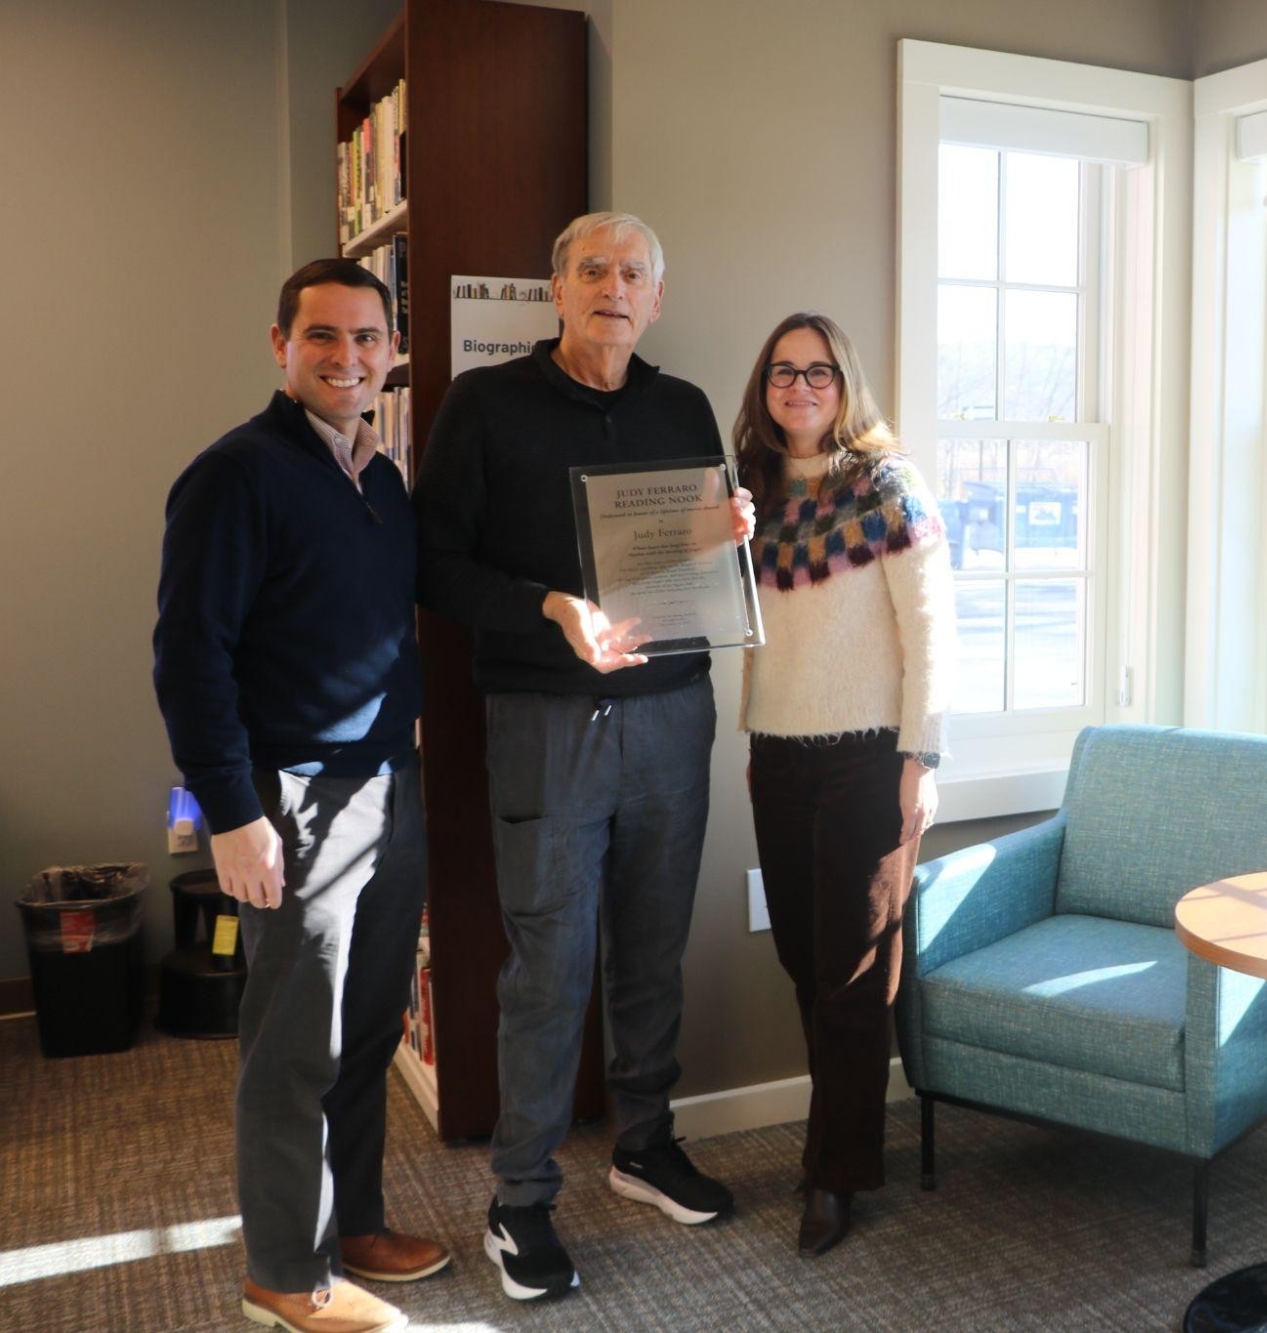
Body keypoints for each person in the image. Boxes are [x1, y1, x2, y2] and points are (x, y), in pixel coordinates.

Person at [413, 211, 751, 1302]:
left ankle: (644, 1144)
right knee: (550, 964)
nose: (613, 287)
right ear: (554, 291)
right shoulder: (484, 405)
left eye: (632, 273)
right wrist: (550, 605)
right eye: (592, 269)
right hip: (547, 722)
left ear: (656, 298)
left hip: (674, 711)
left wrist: (726, 534)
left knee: (653, 945)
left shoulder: (683, 405)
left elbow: (685, 557)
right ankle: (519, 1197)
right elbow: (434, 566)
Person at [154, 259, 445, 1333]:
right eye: (323, 335)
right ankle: (282, 1274)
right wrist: (233, 814)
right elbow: (190, 659)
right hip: (292, 800)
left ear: (391, 352)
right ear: (280, 344)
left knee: (365, 1029)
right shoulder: (235, 475)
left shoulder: (381, 478)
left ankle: (351, 1222)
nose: (347, 357)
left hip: (389, 784)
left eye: (367, 338)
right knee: (291, 1046)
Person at [735, 312, 954, 1256]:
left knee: (855, 973)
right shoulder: (748, 490)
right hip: (777, 754)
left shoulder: (887, 486)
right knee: (804, 958)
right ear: (765, 388)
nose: (800, 387)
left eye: (818, 371)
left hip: (870, 758)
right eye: (783, 372)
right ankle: (837, 1138)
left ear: (845, 382)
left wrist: (921, 760)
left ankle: (838, 1169)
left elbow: (931, 632)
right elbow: (721, 611)